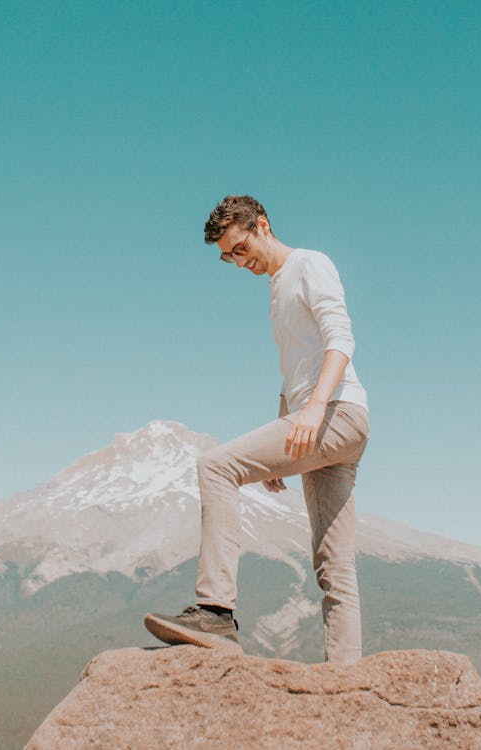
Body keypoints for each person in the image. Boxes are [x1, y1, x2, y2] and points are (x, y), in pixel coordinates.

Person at [145, 195, 369, 663]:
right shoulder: (276, 288)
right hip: (319, 422)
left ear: (262, 226)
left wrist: (313, 411)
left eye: (241, 248)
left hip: (336, 414)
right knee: (334, 565)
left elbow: (340, 338)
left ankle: (215, 613)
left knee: (215, 466)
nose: (237, 261)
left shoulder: (311, 264)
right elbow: (296, 370)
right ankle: (347, 683)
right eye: (228, 256)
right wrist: (286, 426)